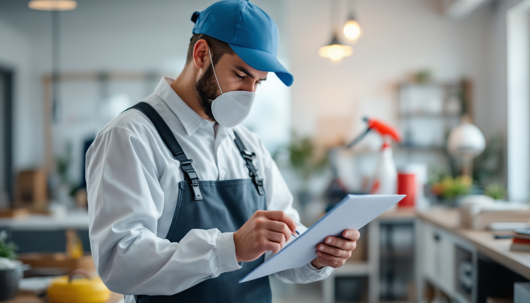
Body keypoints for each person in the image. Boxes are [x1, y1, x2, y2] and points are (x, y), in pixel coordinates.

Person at [86, 1, 360, 302]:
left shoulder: (248, 146)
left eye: (258, 82)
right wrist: (230, 248)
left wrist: (317, 255)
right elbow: (120, 263)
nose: (249, 94)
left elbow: (282, 249)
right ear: (201, 54)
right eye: (241, 75)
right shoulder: (131, 137)